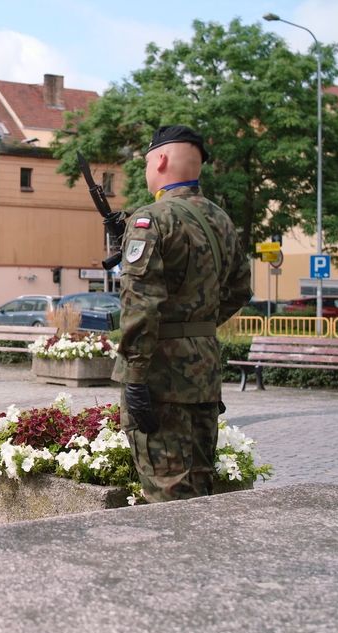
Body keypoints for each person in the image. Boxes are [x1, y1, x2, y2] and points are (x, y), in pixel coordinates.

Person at [112, 125, 252, 503]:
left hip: (161, 377)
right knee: (202, 488)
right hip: (203, 371)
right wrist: (193, 327)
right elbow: (241, 289)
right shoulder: (221, 220)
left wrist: (135, 375)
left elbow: (140, 304)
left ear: (159, 160)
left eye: (145, 162)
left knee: (166, 490)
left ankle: (176, 563)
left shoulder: (152, 219)